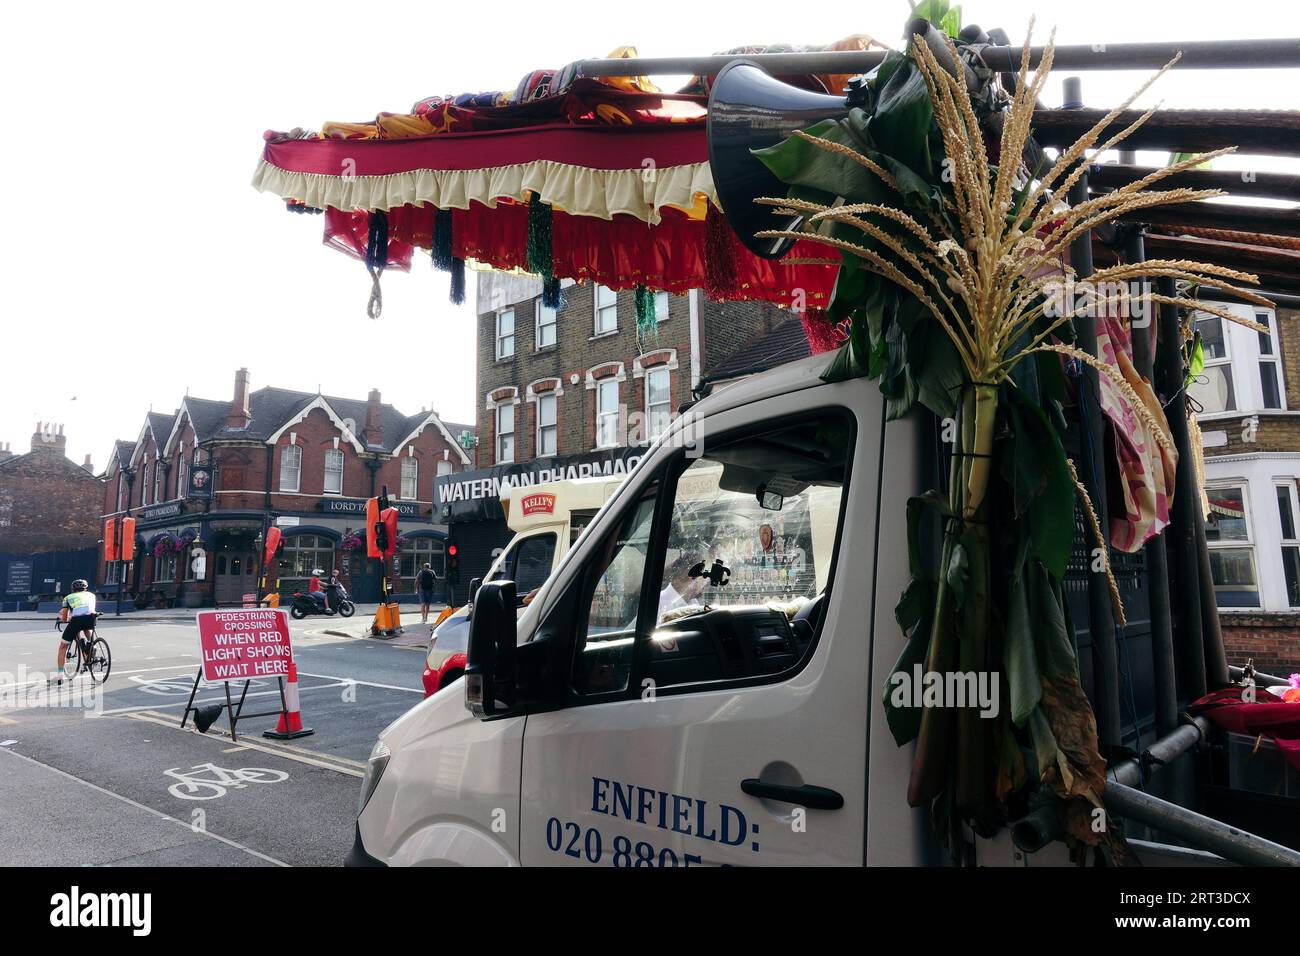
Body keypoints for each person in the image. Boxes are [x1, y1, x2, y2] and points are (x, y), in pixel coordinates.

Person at [54, 579, 97, 684]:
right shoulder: (92, 595)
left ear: (73, 589)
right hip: (91, 618)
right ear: (85, 588)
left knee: (63, 647)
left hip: (77, 620)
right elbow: (87, 609)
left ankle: (60, 675)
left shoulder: (68, 598)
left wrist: (63, 620)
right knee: (87, 628)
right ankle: (91, 645)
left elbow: (64, 618)